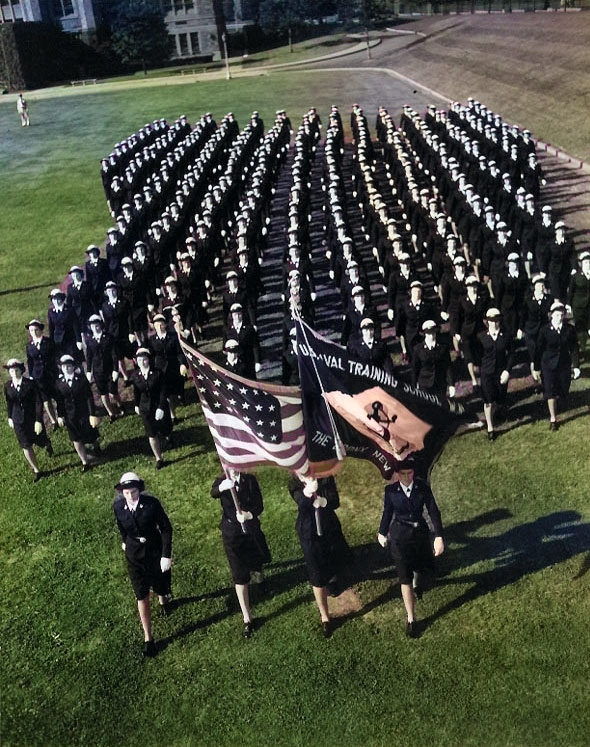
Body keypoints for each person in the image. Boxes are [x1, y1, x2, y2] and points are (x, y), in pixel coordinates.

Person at [377, 456, 444, 638]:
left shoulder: (422, 488)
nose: (407, 477)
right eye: (403, 473)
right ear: (397, 474)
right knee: (404, 578)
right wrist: (382, 532)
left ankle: (418, 583)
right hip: (400, 537)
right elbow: (387, 513)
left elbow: (433, 511)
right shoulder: (391, 491)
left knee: (422, 569)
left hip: (419, 535)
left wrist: (438, 536)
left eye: (410, 473)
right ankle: (411, 618)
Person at [113, 472, 173, 658]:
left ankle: (163, 597)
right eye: (127, 493)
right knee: (141, 594)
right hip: (134, 556)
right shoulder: (118, 507)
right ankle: (149, 638)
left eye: (134, 491)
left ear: (139, 490)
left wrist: (165, 555)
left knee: (161, 585)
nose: (131, 496)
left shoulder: (151, 504)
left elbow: (165, 528)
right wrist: (125, 542)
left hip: (154, 552)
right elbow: (121, 526)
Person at [288, 472, 352, 638]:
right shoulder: (295, 483)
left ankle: (332, 580)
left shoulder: (325, 478)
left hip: (329, 526)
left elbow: (335, 501)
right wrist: (308, 494)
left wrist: (324, 501)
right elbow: (302, 504)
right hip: (309, 532)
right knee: (316, 573)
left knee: (334, 558)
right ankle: (325, 616)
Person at [210, 468, 271, 638]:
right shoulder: (221, 480)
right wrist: (222, 487)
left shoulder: (249, 480)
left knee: (256, 560)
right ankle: (247, 618)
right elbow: (213, 493)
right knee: (239, 575)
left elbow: (259, 505)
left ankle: (260, 580)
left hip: (250, 528)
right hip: (232, 533)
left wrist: (249, 514)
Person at [533, 301, 580, 431]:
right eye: (557, 314)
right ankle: (553, 419)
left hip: (564, 364)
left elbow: (574, 347)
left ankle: (559, 401)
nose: (559, 317)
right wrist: (536, 368)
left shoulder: (569, 329)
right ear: (551, 315)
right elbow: (539, 350)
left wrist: (576, 366)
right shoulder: (545, 330)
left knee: (563, 388)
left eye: (561, 314)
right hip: (548, 364)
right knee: (550, 391)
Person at [4, 358, 53, 482]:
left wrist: (38, 420)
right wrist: (10, 416)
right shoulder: (8, 386)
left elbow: (38, 402)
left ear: (21, 371)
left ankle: (47, 444)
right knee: (25, 445)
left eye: (16, 370)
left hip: (31, 418)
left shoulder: (30, 384)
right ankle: (36, 470)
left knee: (40, 439)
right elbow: (9, 402)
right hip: (18, 420)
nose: (14, 373)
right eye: (11, 371)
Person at [54, 354, 101, 471]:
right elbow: (59, 401)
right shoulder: (59, 383)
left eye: (68, 366)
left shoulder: (81, 379)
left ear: (73, 367)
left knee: (90, 433)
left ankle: (96, 446)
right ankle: (85, 462)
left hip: (83, 412)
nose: (66, 368)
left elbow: (89, 397)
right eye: (64, 366)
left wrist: (92, 414)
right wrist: (60, 416)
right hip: (70, 415)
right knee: (75, 438)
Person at [131, 348, 172, 468]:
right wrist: (136, 405)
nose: (142, 362)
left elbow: (163, 392)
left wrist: (161, 407)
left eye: (144, 360)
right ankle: (159, 458)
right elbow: (136, 392)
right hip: (145, 408)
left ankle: (169, 437)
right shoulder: (136, 376)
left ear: (148, 360)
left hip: (158, 405)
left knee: (165, 427)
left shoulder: (158, 373)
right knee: (151, 433)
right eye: (139, 360)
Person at [478, 308, 514, 441]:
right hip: (486, 373)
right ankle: (490, 428)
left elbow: (511, 354)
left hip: (500, 372)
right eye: (491, 321)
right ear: (487, 322)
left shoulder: (506, 335)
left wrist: (507, 370)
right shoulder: (481, 337)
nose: (494, 323)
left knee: (500, 398)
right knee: (487, 400)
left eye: (496, 320)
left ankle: (500, 413)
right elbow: (478, 355)